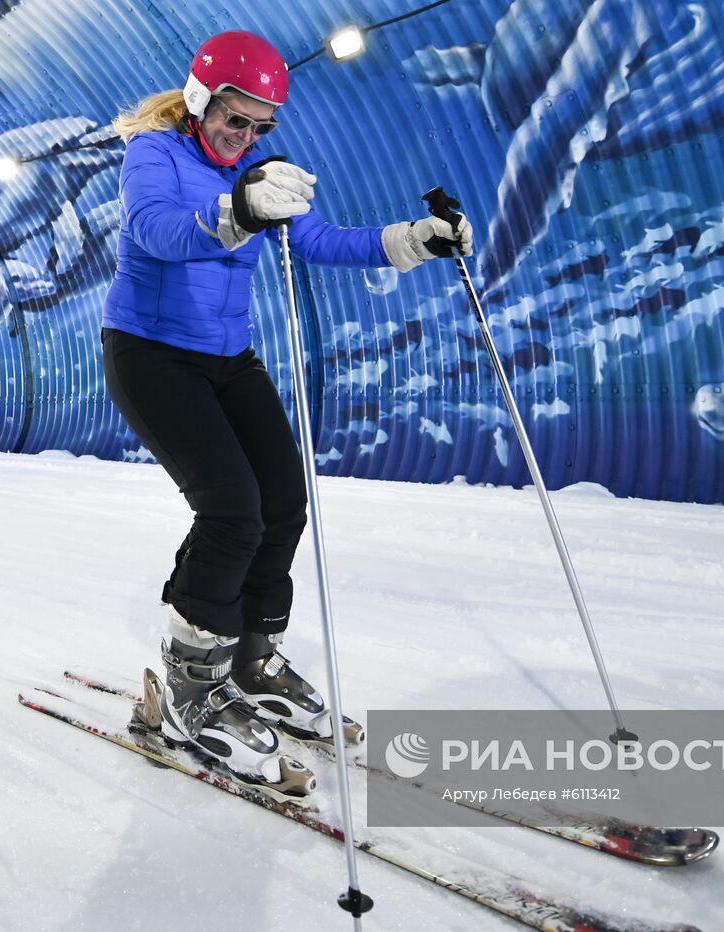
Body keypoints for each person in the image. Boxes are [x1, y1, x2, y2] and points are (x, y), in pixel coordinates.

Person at [102, 30, 473, 788]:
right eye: (235, 119)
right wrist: (237, 210)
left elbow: (322, 242)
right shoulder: (155, 155)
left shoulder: (258, 171)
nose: (245, 136)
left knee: (281, 499)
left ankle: (251, 658)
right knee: (231, 509)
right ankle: (189, 689)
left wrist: (414, 240)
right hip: (150, 354)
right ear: (202, 100)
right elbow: (158, 232)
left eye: (261, 126)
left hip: (227, 358)